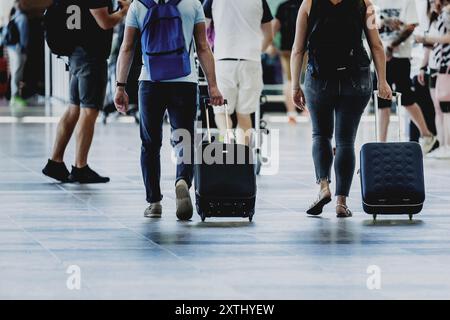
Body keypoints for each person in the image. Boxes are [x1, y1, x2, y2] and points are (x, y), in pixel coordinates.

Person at [114, 0, 224, 221]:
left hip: (150, 80)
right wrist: (213, 86)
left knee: (150, 143)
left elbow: (126, 48)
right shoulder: (192, 4)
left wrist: (120, 86)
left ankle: (154, 202)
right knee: (184, 138)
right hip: (185, 80)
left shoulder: (138, 5)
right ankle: (182, 180)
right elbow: (203, 47)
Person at [291, 0, 392, 218]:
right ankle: (341, 202)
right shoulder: (365, 4)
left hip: (320, 77)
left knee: (320, 135)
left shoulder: (308, 3)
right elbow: (376, 45)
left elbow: (298, 49)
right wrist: (383, 81)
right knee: (345, 141)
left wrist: (294, 86)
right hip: (356, 77)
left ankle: (324, 187)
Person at [42, 0, 131, 184]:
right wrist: (124, 12)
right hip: (91, 54)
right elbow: (104, 22)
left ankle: (55, 161)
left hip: (76, 53)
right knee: (89, 111)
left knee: (74, 108)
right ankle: (80, 167)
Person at [203, 0, 274, 145]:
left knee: (222, 112)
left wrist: (209, 50)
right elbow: (269, 34)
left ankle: (227, 137)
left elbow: (201, 29)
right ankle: (243, 159)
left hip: (223, 59)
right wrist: (257, 51)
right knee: (244, 114)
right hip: (251, 60)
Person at [375, 0, 438, 153]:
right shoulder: (376, 2)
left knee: (407, 98)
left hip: (400, 56)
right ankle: (381, 144)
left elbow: (410, 27)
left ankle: (427, 135)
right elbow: (372, 25)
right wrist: (385, 21)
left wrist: (392, 45)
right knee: (382, 101)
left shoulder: (406, 1)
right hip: (380, 57)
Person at [416, 0, 450, 153]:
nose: (433, 4)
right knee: (437, 108)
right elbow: (428, 49)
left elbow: (447, 38)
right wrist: (423, 67)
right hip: (434, 67)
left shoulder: (447, 15)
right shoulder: (433, 20)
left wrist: (427, 39)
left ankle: (446, 146)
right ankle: (442, 145)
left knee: (446, 108)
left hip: (446, 67)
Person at [272, 0, 303, 125]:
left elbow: (274, 27)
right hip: (304, 48)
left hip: (287, 49)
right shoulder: (308, 3)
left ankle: (291, 113)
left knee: (289, 80)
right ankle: (308, 110)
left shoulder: (283, 6)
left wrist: (272, 44)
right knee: (307, 78)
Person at [3, 1, 28, 107]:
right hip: (18, 50)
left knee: (14, 73)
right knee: (18, 73)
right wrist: (23, 48)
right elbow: (24, 36)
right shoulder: (22, 17)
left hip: (11, 49)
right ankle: (15, 96)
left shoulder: (11, 17)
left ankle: (14, 96)